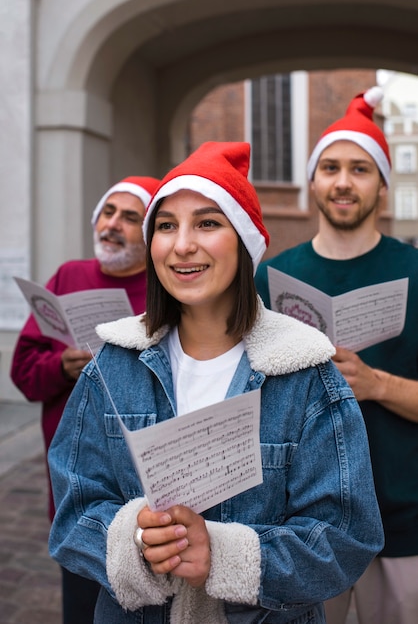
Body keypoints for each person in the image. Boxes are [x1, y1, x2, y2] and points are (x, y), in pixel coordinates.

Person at [48, 141, 383, 624]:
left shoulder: (306, 373)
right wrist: (136, 541)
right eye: (166, 226)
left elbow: (347, 536)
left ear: (244, 242)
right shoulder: (112, 365)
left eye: (207, 222)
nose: (183, 244)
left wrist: (224, 557)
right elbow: (73, 508)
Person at [255, 87, 418, 624]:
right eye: (330, 167)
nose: (343, 181)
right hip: (301, 521)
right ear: (313, 180)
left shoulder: (415, 271)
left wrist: (377, 385)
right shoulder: (273, 277)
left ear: (381, 186)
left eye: (360, 168)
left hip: (405, 520)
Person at [10, 175, 160, 624]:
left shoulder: (164, 287)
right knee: (79, 601)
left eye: (130, 218)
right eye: (108, 213)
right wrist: (61, 367)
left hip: (143, 489)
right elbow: (24, 373)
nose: (112, 225)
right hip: (74, 481)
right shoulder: (68, 276)